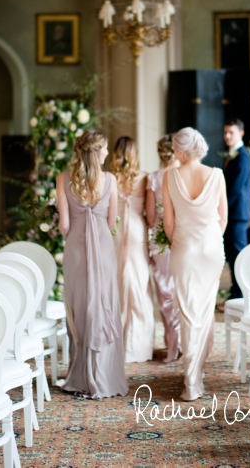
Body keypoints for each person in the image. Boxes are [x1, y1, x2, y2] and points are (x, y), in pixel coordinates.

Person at [56, 130, 128, 399]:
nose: (108, 153)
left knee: (79, 308)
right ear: (97, 152)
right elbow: (111, 223)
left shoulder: (63, 179)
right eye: (105, 149)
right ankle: (104, 375)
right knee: (104, 304)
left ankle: (80, 376)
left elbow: (64, 224)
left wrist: (75, 235)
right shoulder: (110, 180)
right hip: (103, 247)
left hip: (75, 249)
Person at [162, 127, 227, 401]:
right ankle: (195, 374)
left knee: (188, 313)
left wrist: (181, 242)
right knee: (204, 311)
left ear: (179, 150)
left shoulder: (170, 176)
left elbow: (168, 222)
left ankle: (191, 382)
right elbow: (223, 218)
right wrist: (209, 240)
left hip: (184, 250)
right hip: (211, 251)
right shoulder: (217, 175)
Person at [108, 136, 154, 363]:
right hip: (136, 230)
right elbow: (149, 213)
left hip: (115, 229)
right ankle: (138, 345)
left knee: (117, 281)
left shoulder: (109, 178)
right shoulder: (144, 177)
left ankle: (115, 342)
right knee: (138, 282)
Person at [145, 135, 182, 363]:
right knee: (182, 290)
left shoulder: (154, 178)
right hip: (183, 238)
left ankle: (172, 344)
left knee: (165, 291)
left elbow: (150, 218)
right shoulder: (186, 176)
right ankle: (185, 342)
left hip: (160, 240)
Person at [223, 118, 250, 299]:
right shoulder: (233, 154)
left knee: (239, 255)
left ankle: (241, 295)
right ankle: (236, 292)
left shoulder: (242, 156)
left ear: (241, 133)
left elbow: (235, 188)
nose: (227, 136)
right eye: (225, 132)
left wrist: (221, 208)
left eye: (231, 132)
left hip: (236, 214)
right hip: (233, 213)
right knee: (233, 255)